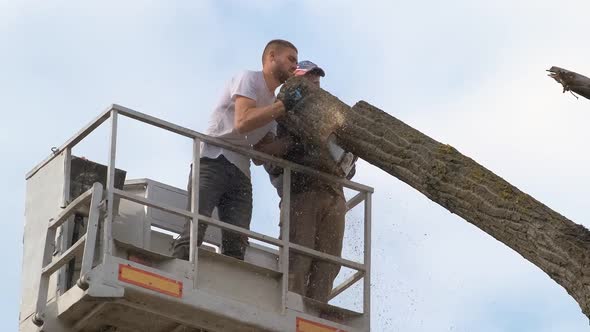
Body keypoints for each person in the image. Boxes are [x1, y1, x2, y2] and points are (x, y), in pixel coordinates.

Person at [173, 39, 298, 261]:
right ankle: (178, 268)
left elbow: (261, 152)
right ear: (271, 57)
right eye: (290, 59)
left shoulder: (273, 103)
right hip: (213, 159)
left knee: (237, 243)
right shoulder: (249, 78)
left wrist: (293, 144)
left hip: (241, 170)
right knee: (194, 228)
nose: (294, 66)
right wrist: (282, 108)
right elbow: (242, 122)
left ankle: (228, 284)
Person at [262, 61, 357, 302]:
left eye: (317, 80)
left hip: (333, 193)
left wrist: (346, 159)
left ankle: (317, 312)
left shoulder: (333, 118)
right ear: (294, 83)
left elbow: (349, 167)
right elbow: (268, 157)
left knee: (329, 260)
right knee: (298, 257)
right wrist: (302, 146)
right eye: (308, 79)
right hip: (300, 192)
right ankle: (293, 308)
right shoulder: (279, 113)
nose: (314, 84)